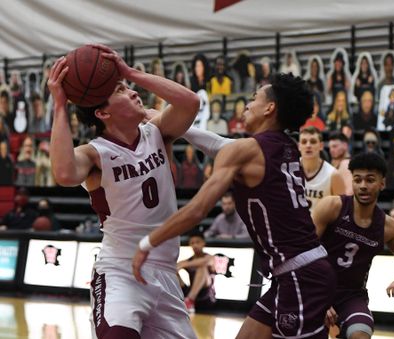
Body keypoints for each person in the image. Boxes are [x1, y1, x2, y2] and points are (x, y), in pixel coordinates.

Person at [133, 73, 336, 339]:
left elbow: (197, 209)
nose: (248, 105)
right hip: (296, 273)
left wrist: (147, 243)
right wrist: (166, 122)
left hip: (300, 276)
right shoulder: (283, 145)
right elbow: (219, 144)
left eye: (254, 99)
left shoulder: (248, 150)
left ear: (269, 108)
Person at [47, 45, 200, 339]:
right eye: (121, 90)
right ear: (102, 112)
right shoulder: (94, 154)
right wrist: (58, 105)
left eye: (128, 87)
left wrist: (129, 73)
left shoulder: (157, 132)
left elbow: (190, 102)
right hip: (120, 272)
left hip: (166, 275)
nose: (132, 91)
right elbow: (64, 173)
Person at [312, 152, 394, 339]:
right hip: (315, 288)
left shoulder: (388, 226)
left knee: (361, 333)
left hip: (351, 296)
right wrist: (318, 296)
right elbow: (303, 251)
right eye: (357, 180)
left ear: (382, 183)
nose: (363, 186)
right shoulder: (332, 206)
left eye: (370, 180)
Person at [299, 126, 346, 211]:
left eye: (313, 142)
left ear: (321, 146)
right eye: (304, 142)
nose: (308, 145)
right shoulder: (290, 169)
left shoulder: (333, 175)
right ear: (299, 146)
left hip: (320, 223)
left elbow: (343, 211)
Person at [177, 231, 216, 313]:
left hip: (206, 296)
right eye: (192, 243)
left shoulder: (210, 258)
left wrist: (184, 264)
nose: (195, 245)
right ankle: (179, 299)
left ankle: (189, 301)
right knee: (172, 271)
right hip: (189, 292)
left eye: (197, 242)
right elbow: (176, 266)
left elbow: (204, 262)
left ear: (203, 243)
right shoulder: (188, 260)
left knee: (201, 268)